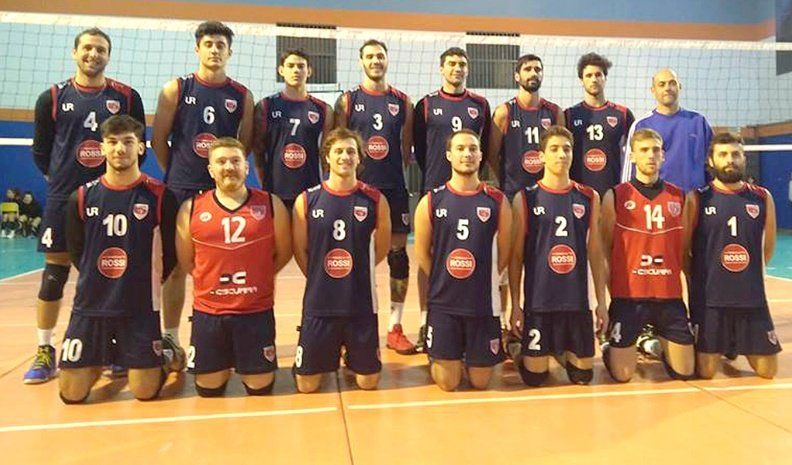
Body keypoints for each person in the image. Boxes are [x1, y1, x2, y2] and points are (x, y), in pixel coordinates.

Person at [25, 28, 146, 384]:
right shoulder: (51, 97)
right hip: (64, 198)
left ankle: (114, 347)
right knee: (54, 274)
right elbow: (41, 151)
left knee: (114, 270)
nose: (94, 54)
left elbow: (138, 145)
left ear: (109, 55)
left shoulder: (126, 96)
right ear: (75, 52)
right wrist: (63, 183)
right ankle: (45, 349)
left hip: (114, 197)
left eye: (101, 49)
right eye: (88, 48)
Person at [58, 115, 181, 403]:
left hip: (139, 308)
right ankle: (105, 357)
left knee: (144, 392)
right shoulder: (81, 197)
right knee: (71, 394)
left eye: (128, 142)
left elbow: (171, 254)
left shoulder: (160, 196)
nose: (119, 149)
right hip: (91, 306)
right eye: (112, 142)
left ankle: (165, 354)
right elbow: (78, 253)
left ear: (140, 147)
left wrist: (147, 283)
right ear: (102, 148)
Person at [152, 20, 254, 358]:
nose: (214, 50)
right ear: (197, 49)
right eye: (208, 44)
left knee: (224, 264)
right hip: (181, 190)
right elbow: (158, 140)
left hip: (221, 195)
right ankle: (170, 337)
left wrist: (224, 178)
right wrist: (177, 174)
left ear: (229, 52)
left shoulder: (241, 95)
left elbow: (244, 145)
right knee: (176, 268)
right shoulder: (176, 89)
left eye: (220, 45)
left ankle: (219, 334)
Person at [175, 137, 291, 396]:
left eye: (235, 161)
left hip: (255, 311)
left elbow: (284, 251)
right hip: (210, 312)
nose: (229, 167)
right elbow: (187, 261)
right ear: (211, 170)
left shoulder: (270, 204)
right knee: (208, 390)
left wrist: (261, 274)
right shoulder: (191, 208)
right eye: (221, 162)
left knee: (260, 389)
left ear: (246, 167)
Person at [292, 127, 390, 393]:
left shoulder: (375, 200)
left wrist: (357, 270)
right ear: (327, 157)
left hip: (360, 302)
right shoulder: (307, 200)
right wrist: (319, 276)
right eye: (338, 151)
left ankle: (350, 355)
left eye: (350, 151)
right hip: (320, 303)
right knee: (307, 386)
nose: (345, 156)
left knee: (368, 383)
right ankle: (326, 352)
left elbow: (381, 247)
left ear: (359, 158)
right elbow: (300, 249)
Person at [334, 39, 415, 354]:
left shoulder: (402, 101)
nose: (375, 61)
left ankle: (395, 327)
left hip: (393, 187)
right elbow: (338, 141)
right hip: (357, 190)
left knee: (398, 256)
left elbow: (406, 149)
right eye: (369, 56)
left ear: (387, 60)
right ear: (361, 61)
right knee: (352, 257)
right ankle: (348, 327)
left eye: (380, 55)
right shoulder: (348, 101)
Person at [413, 129, 511, 391]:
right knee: (447, 383)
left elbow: (504, 252)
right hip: (444, 303)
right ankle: (446, 352)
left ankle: (468, 352)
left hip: (482, 305)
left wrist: (486, 279)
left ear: (480, 155)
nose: (467, 154)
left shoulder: (497, 201)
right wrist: (442, 278)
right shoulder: (431, 201)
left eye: (472, 149)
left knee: (481, 382)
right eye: (460, 148)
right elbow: (421, 253)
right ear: (448, 155)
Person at [509, 126, 607, 386]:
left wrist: (601, 302)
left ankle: (557, 349)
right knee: (535, 379)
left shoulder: (589, 197)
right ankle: (518, 348)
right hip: (540, 303)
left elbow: (596, 253)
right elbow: (516, 257)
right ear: (541, 156)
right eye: (554, 149)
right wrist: (516, 305)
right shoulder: (525, 198)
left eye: (567, 149)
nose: (561, 154)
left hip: (576, 303)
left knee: (582, 377)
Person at [601, 128, 695, 382]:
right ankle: (612, 347)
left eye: (655, 150)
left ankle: (656, 344)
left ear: (663, 155)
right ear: (632, 156)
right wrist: (611, 294)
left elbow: (684, 249)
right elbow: (605, 250)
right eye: (643, 150)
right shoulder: (616, 196)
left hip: (668, 296)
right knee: (623, 375)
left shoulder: (679, 196)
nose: (651, 155)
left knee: (685, 372)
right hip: (629, 297)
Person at [413, 47, 491, 352]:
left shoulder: (480, 105)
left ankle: (476, 315)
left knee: (472, 254)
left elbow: (485, 148)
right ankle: (426, 321)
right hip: (436, 188)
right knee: (427, 256)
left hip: (471, 191)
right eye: (452, 64)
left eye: (462, 64)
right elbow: (420, 148)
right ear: (441, 69)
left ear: (467, 69)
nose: (457, 68)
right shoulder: (426, 104)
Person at [684, 133, 781, 378]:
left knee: (768, 371)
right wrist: (699, 282)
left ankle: (732, 343)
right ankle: (723, 342)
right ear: (711, 161)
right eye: (723, 154)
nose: (730, 160)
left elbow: (767, 247)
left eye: (736, 154)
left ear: (744, 159)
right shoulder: (698, 198)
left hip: (751, 299)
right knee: (706, 371)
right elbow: (684, 251)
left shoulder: (762, 197)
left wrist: (749, 276)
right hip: (711, 301)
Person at [253, 49, 333, 210]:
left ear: (309, 71)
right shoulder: (266, 106)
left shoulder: (324, 109)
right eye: (290, 66)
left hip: (311, 190)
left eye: (301, 66)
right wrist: (265, 181)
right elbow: (258, 150)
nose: (296, 70)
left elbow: (327, 155)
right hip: (275, 190)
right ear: (281, 70)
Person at [622, 68, 713, 193]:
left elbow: (713, 164)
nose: (667, 88)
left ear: (679, 87)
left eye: (672, 83)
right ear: (653, 90)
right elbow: (630, 169)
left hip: (696, 199)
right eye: (662, 84)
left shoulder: (698, 122)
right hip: (658, 199)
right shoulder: (641, 124)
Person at [489, 54, 564, 199]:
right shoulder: (504, 112)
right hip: (512, 193)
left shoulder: (555, 112)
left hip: (547, 194)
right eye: (527, 69)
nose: (533, 73)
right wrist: (506, 182)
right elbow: (492, 155)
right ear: (517, 76)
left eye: (537, 69)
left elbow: (561, 151)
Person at [565, 53, 634, 196]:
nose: (594, 79)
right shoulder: (569, 115)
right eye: (588, 75)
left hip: (613, 192)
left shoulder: (623, 114)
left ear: (605, 78)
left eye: (598, 75)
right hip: (578, 194)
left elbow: (636, 154)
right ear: (581, 80)